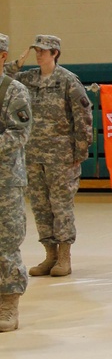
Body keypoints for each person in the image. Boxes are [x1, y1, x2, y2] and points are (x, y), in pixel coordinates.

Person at [6, 35, 92, 278]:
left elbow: (83, 116)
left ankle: (64, 256)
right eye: (36, 50)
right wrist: (16, 64)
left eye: (43, 50)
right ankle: (49, 254)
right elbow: (3, 80)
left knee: (61, 206)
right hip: (33, 154)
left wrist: (80, 151)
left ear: (55, 53)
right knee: (41, 206)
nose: (38, 54)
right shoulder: (27, 78)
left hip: (62, 155)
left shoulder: (67, 81)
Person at [0, 33, 32, 331]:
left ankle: (8, 303)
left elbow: (18, 134)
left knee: (5, 243)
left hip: (5, 182)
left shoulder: (14, 92)